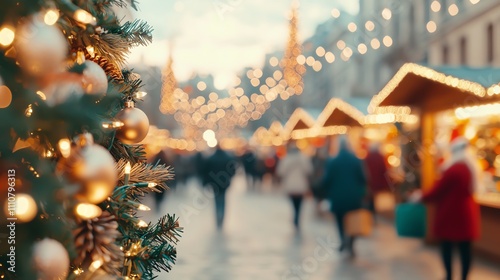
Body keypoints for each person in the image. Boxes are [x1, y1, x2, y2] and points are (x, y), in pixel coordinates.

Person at [411, 137, 480, 280]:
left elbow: (437, 191)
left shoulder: (453, 169)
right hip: (466, 214)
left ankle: (449, 276)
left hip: (451, 214)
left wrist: (420, 197)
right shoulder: (471, 168)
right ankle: (464, 276)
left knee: (447, 247)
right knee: (465, 249)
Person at [323, 136, 367, 256]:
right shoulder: (356, 160)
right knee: (353, 219)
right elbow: (363, 178)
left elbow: (327, 180)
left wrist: (326, 192)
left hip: (337, 197)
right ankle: (350, 241)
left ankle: (343, 238)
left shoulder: (333, 161)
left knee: (340, 220)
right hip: (353, 197)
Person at [276, 142, 313, 229]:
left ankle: (295, 216)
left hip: (290, 186)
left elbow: (280, 172)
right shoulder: (303, 158)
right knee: (299, 204)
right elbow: (309, 170)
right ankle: (297, 217)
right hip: (301, 186)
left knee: (294, 203)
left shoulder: (286, 158)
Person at [203, 145, 237, 229]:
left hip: (215, 183)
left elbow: (206, 172)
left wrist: (207, 182)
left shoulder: (211, 158)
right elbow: (233, 170)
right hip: (224, 183)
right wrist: (228, 177)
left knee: (216, 200)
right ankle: (221, 216)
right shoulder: (228, 158)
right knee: (223, 200)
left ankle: (218, 216)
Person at [364, 143, 391, 218]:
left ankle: (371, 213)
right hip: (378, 182)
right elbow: (384, 171)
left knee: (371, 199)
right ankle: (375, 214)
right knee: (376, 198)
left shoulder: (367, 158)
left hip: (370, 182)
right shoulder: (381, 157)